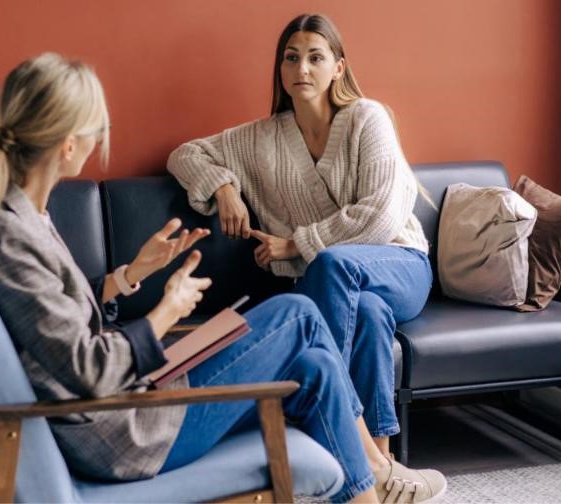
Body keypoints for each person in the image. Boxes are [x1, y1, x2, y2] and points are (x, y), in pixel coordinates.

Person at [0, 53, 444, 503]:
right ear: (67, 142)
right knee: (299, 314)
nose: (102, 139)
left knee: (313, 364)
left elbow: (57, 320)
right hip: (124, 433)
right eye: (98, 128)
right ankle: (378, 472)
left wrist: (133, 273)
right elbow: (87, 367)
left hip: (128, 402)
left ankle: (368, 487)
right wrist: (168, 310)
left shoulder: (21, 217)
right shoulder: (9, 237)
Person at [167, 13, 434, 495]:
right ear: (281, 69)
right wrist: (224, 187)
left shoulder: (367, 118)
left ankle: (348, 450)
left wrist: (295, 244)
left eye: (316, 57)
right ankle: (381, 464)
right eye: (292, 58)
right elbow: (185, 154)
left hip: (400, 263)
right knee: (368, 314)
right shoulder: (262, 138)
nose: (302, 69)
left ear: (338, 67)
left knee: (333, 265)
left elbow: (381, 216)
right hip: (344, 284)